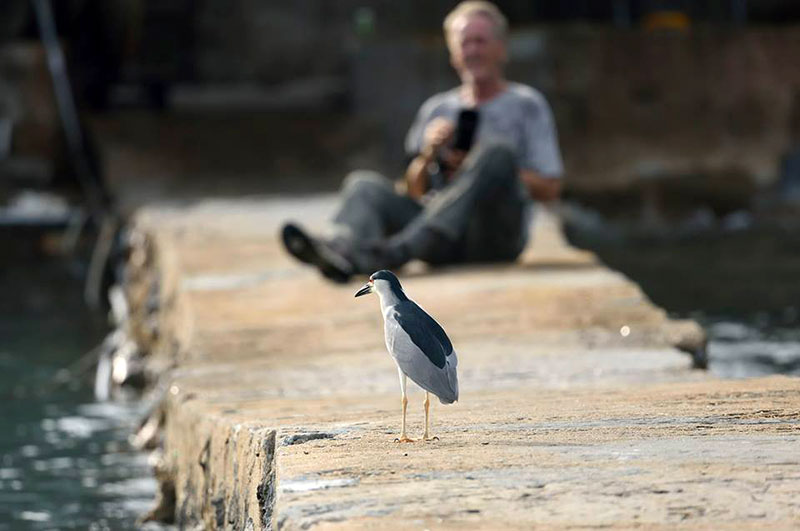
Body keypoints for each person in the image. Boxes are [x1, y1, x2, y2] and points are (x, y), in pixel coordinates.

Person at [281, 1, 563, 283]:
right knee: (363, 185)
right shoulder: (437, 109)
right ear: (453, 53)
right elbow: (411, 191)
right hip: (437, 240)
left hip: (492, 238)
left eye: (481, 41)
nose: (473, 51)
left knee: (496, 153)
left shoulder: (527, 104)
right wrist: (428, 155)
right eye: (465, 43)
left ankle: (391, 253)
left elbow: (550, 188)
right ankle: (342, 251)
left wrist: (479, 169)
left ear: (502, 48)